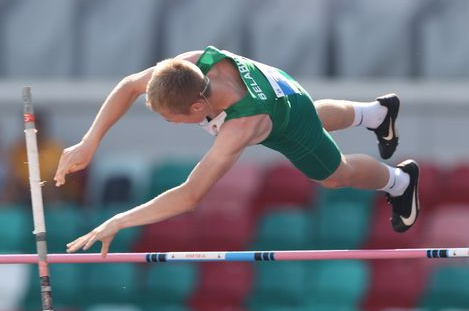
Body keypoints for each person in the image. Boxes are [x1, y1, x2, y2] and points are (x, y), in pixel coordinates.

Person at [54, 46, 420, 255]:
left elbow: (189, 196)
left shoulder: (241, 126)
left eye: (170, 119)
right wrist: (91, 140)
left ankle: (400, 181)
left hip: (278, 112)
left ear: (198, 109)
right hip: (276, 84)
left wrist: (119, 220)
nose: (169, 123)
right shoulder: (187, 68)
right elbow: (129, 86)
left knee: (335, 175)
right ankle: (376, 113)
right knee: (310, 112)